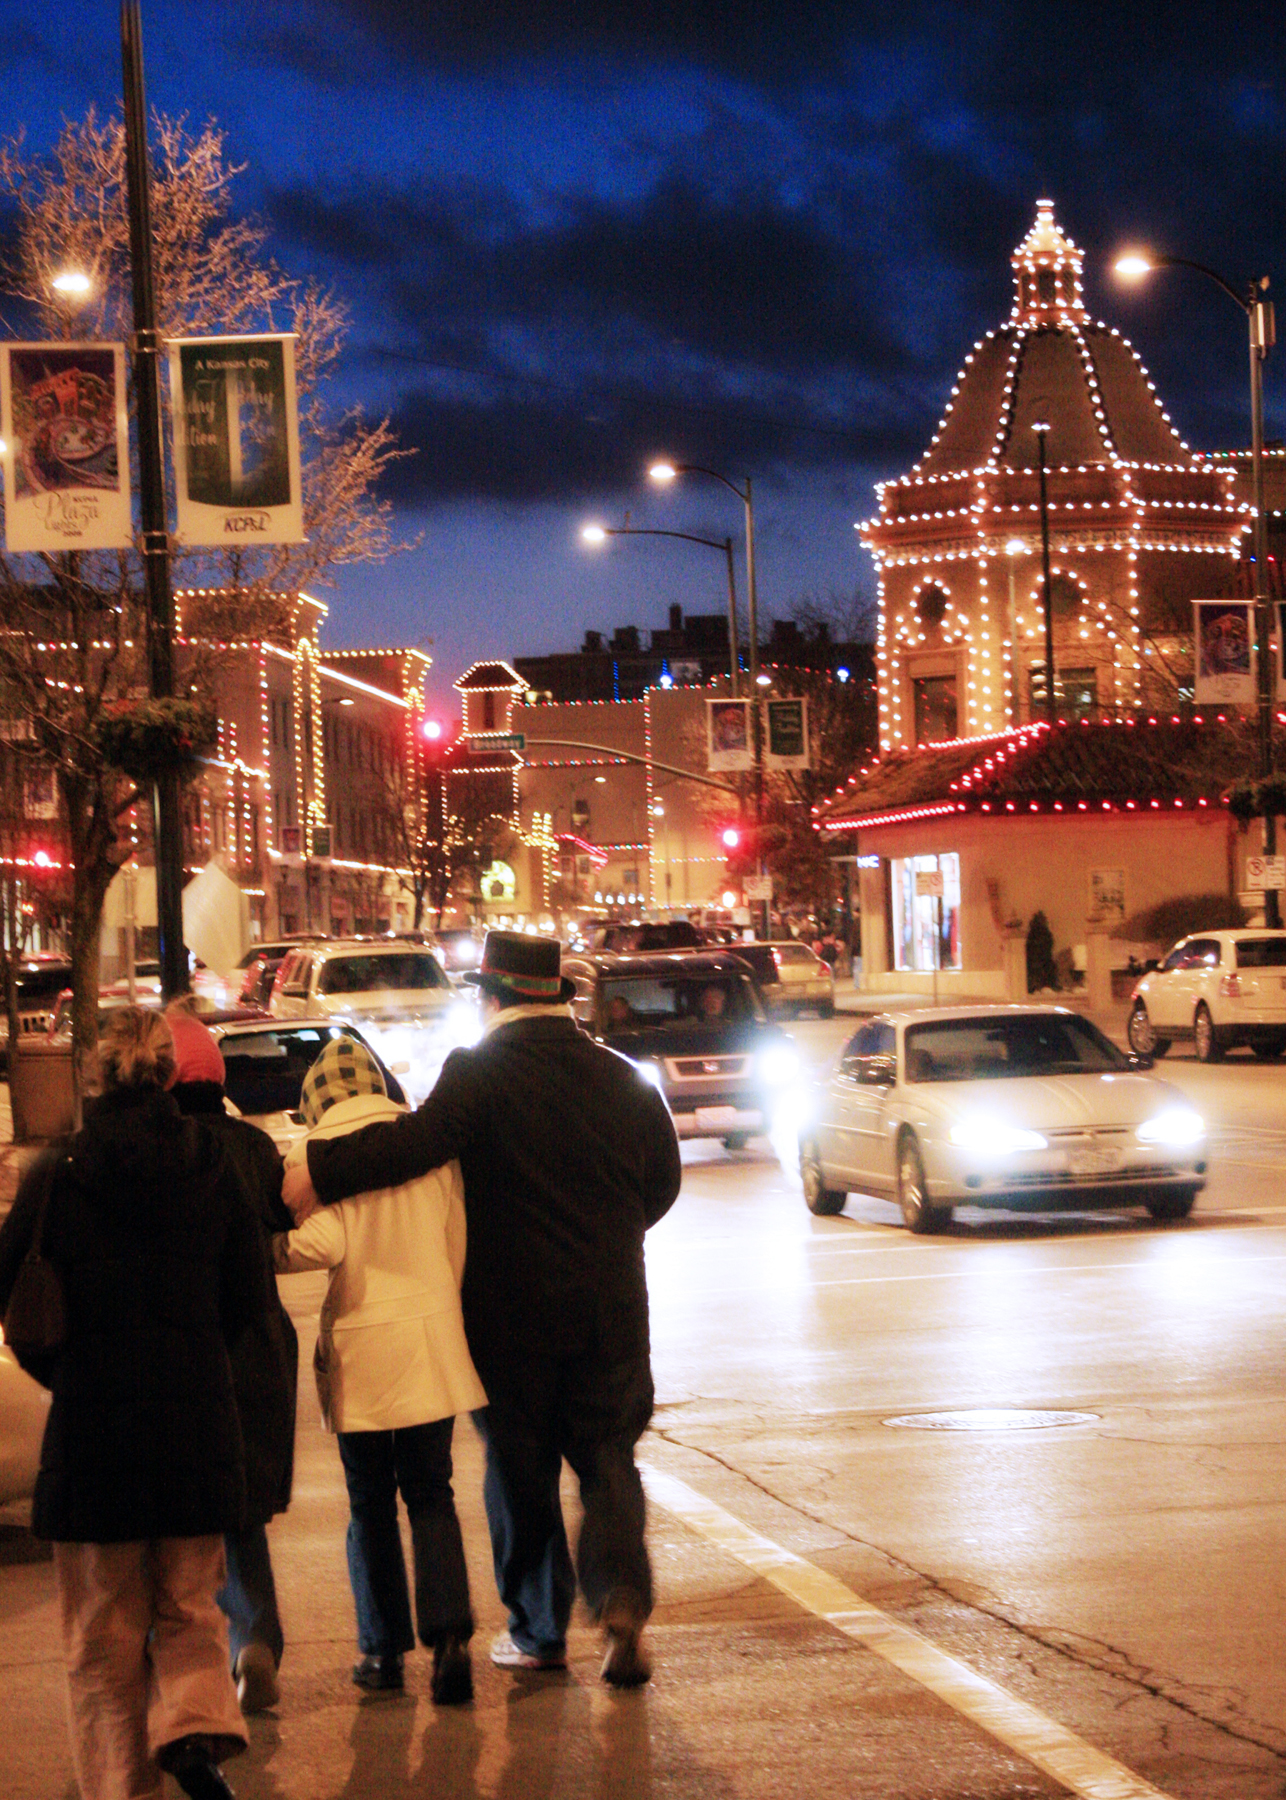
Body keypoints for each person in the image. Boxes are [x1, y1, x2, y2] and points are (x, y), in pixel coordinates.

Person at [283, 930, 681, 1687]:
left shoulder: (478, 1074)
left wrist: (315, 1168)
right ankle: (622, 1599)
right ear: (559, 996)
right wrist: (605, 1241)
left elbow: (410, 1147)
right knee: (608, 1459)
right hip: (612, 1309)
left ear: (488, 996)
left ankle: (539, 1633)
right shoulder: (623, 1077)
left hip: (508, 1315)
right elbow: (659, 1186)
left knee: (520, 1468)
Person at [0, 1006, 270, 1800]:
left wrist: (63, 1370)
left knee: (100, 1636)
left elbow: (12, 1293)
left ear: (93, 1077)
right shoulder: (213, 1164)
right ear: (169, 1074)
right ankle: (192, 1729)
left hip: (93, 1436)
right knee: (191, 1606)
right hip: (194, 1425)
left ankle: (120, 1786)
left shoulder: (59, 1173)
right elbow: (249, 1300)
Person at [275, 1034, 485, 1704]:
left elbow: (320, 1242)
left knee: (370, 1503)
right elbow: (456, 1244)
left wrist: (269, 1244)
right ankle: (451, 1639)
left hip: (362, 1350)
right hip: (429, 1340)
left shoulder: (313, 1155)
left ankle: (383, 1651)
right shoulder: (422, 1141)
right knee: (432, 1492)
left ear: (317, 1098)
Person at [167, 1000, 298, 1717]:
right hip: (257, 1348)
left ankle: (209, 1662)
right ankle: (255, 1638)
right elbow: (286, 1213)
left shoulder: (162, 1150)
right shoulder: (250, 1146)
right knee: (242, 1510)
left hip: (192, 1349)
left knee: (191, 1517)